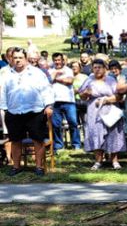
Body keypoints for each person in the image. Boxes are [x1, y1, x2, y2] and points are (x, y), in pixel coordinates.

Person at [0, 48, 54, 176]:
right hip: (13, 111)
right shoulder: (6, 75)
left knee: (37, 139)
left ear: (25, 58)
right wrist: (3, 108)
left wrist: (49, 105)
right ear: (11, 59)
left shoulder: (37, 73)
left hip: (35, 111)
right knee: (15, 140)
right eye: (15, 58)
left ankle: (39, 167)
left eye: (20, 57)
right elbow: (2, 93)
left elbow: (46, 90)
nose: (18, 60)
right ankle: (16, 167)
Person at [79, 59, 126, 170]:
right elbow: (81, 95)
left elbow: (119, 96)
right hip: (94, 111)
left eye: (99, 67)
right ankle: (98, 161)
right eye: (95, 67)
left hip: (110, 109)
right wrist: (86, 93)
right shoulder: (89, 79)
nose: (97, 69)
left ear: (105, 68)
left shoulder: (111, 80)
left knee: (113, 133)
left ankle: (114, 160)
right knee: (96, 133)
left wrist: (106, 100)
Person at [48, 53, 80, 152]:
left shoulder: (68, 70)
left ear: (63, 61)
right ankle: (58, 145)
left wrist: (56, 78)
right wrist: (57, 78)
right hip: (54, 101)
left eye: (59, 60)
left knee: (73, 123)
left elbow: (69, 81)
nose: (57, 62)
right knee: (56, 125)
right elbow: (48, 81)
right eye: (55, 60)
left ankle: (76, 144)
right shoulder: (50, 70)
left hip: (68, 101)